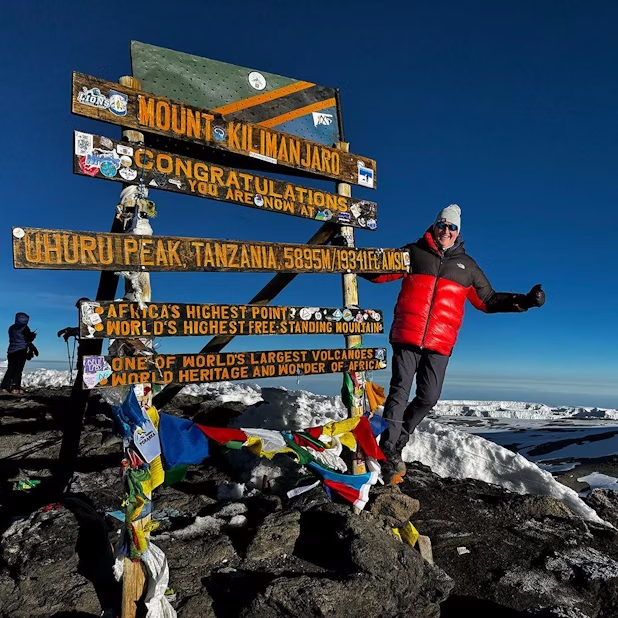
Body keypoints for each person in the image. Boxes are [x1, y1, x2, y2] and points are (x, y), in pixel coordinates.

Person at [362, 204, 545, 483]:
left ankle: (399, 441)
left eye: (452, 227)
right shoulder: (413, 252)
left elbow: (487, 300)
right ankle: (388, 451)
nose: (446, 231)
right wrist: (348, 258)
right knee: (399, 392)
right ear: (434, 226)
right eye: (442, 225)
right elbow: (380, 272)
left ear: (458, 231)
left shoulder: (467, 267)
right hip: (408, 335)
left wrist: (525, 301)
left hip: (440, 342)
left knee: (428, 397)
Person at [1, 312, 37, 394]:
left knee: (10, 369)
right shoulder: (25, 328)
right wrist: (33, 335)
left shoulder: (12, 328)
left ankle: (4, 387)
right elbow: (28, 339)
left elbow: (17, 337)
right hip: (21, 351)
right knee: (18, 369)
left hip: (11, 351)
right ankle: (15, 387)